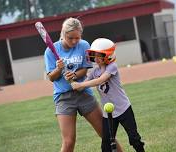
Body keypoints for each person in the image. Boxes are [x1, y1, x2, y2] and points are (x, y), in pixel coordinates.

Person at [44, 18, 122, 152]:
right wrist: (58, 69)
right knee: (68, 142)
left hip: (84, 93)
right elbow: (51, 77)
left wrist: (74, 75)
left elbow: (85, 69)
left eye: (77, 38)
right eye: (70, 38)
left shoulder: (84, 45)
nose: (74, 41)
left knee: (107, 135)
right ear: (63, 34)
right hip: (64, 98)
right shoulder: (51, 50)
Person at [71, 38, 145, 152]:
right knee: (106, 144)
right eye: (94, 55)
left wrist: (81, 85)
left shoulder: (112, 66)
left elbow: (100, 80)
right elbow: (83, 85)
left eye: (99, 55)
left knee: (134, 138)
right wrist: (73, 81)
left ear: (108, 55)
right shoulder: (94, 71)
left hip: (124, 109)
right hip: (108, 114)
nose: (95, 58)